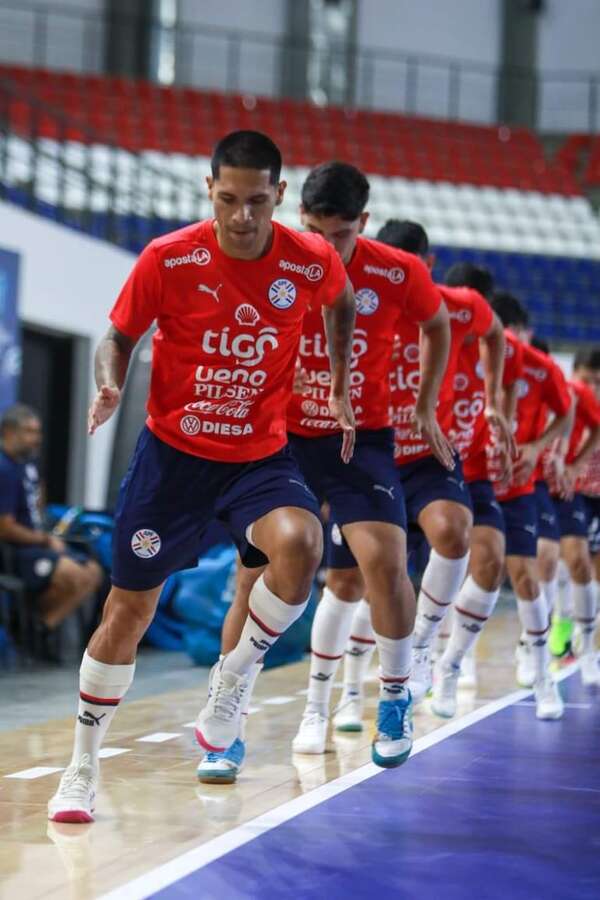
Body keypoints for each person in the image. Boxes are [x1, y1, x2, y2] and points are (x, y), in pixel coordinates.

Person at [47, 131, 356, 823]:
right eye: (227, 200)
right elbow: (117, 336)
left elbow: (342, 301)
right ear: (208, 192)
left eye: (256, 201)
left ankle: (234, 677)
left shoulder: (307, 259)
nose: (242, 216)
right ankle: (81, 768)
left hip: (257, 459)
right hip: (174, 461)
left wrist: (337, 383)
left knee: (303, 545)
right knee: (129, 612)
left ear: (279, 194)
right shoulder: (169, 257)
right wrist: (109, 385)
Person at [198, 166, 453, 783]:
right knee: (252, 577)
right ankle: (226, 723)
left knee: (386, 562)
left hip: (360, 438)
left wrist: (423, 402)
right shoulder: (276, 257)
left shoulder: (399, 271)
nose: (324, 244)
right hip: (279, 438)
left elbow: (436, 325)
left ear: (362, 225)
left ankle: (393, 700)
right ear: (298, 216)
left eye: (338, 234)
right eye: (313, 229)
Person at [335, 245, 515, 727]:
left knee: (460, 537)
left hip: (433, 457)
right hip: (376, 457)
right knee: (367, 583)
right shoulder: (356, 304)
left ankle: (428, 649)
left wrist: (495, 401)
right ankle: (347, 693)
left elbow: (494, 332)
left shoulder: (457, 309)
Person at [491, 292, 572, 719]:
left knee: (538, 561)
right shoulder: (465, 352)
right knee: (473, 566)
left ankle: (538, 665)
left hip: (526, 479)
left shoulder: (540, 368)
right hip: (476, 477)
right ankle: (450, 665)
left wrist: (547, 451)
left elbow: (568, 412)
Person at [0, 404, 102, 629]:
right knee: (74, 575)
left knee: (94, 572)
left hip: (38, 544)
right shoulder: (3, 468)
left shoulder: (29, 465)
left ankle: (42, 625)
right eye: (29, 432)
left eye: (38, 432)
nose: (36, 439)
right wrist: (45, 540)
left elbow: (38, 506)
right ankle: (29, 627)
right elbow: (5, 528)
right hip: (14, 551)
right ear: (8, 432)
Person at [548, 348, 600, 684]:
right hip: (572, 493)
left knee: (590, 574)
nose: (593, 387)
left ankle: (585, 644)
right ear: (575, 374)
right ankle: (559, 638)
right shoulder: (565, 402)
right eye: (588, 380)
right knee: (570, 565)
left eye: (598, 382)